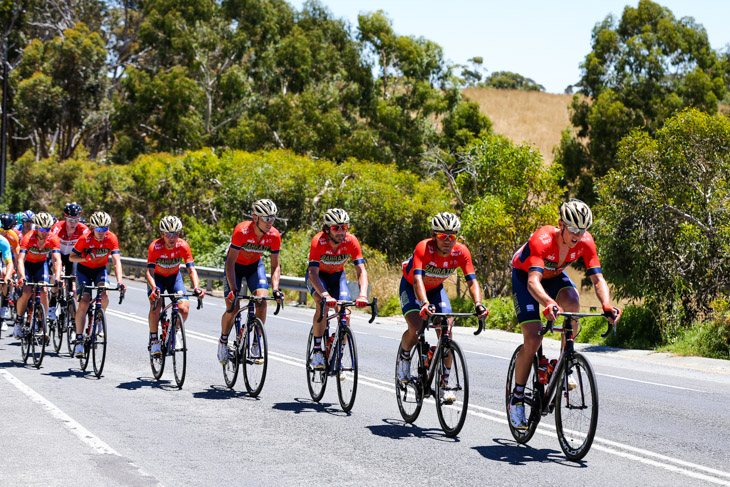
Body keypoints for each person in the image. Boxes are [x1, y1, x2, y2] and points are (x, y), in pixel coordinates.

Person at [508, 198, 621, 430]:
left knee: (572, 304)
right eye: (572, 229)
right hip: (526, 277)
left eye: (582, 230)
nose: (578, 235)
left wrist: (607, 304)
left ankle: (563, 364)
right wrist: (548, 303)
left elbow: (597, 278)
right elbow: (532, 282)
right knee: (533, 337)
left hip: (553, 276)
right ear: (561, 224)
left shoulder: (586, 242)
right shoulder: (542, 239)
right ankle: (517, 398)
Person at [396, 212, 489, 402]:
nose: (448, 240)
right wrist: (423, 304)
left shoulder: (461, 252)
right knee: (415, 328)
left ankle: (444, 384)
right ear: (434, 235)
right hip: (413, 287)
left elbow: (472, 281)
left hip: (436, 289)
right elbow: (418, 279)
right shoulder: (424, 247)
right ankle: (404, 358)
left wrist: (478, 304)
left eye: (452, 236)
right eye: (442, 236)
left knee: (447, 329)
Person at [218, 199, 283, 365]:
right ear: (255, 218)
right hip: (235, 267)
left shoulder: (274, 235)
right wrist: (233, 289)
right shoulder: (242, 231)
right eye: (266, 218)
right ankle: (223, 341)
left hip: (255, 267)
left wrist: (275, 289)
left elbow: (275, 265)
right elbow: (230, 262)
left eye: (272, 218)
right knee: (233, 307)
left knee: (262, 301)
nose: (270, 222)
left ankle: (255, 342)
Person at [306, 208, 369, 370]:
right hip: (318, 277)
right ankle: (318, 350)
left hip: (337, 276)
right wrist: (325, 294)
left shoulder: (351, 241)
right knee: (322, 304)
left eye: (344, 227)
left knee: (345, 312)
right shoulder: (318, 241)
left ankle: (338, 352)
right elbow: (313, 273)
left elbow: (361, 270)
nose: (341, 231)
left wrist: (362, 295)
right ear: (327, 229)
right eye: (336, 228)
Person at [68, 211, 126, 358]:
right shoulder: (84, 239)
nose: (102, 232)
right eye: (99, 229)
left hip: (100, 269)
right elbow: (71, 257)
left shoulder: (111, 238)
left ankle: (99, 318)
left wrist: (120, 281)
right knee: (84, 302)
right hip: (84, 271)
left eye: (105, 229)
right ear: (92, 228)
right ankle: (80, 340)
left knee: (104, 294)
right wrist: (85, 257)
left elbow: (116, 261)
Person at [146, 215, 205, 356]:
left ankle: (174, 333)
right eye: (169, 234)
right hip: (157, 279)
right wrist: (154, 288)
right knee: (156, 304)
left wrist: (196, 287)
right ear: (162, 234)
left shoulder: (183, 246)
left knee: (184, 308)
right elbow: (149, 271)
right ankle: (154, 339)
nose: (172, 238)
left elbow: (191, 269)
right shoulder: (155, 246)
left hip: (174, 278)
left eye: (176, 234)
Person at [14, 212, 61, 339]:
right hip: (27, 266)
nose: (45, 232)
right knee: (27, 292)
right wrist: (22, 276)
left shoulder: (53, 238)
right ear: (36, 228)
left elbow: (57, 260)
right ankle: (18, 321)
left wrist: (57, 277)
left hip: (41, 265)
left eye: (48, 229)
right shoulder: (28, 237)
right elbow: (20, 260)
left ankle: (43, 322)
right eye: (42, 229)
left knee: (45, 290)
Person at [48, 202, 89, 320]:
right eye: (70, 220)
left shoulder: (83, 229)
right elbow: (50, 241)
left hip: (72, 256)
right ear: (65, 218)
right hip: (58, 254)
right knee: (57, 275)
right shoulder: (57, 227)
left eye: (76, 220)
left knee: (72, 286)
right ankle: (52, 302)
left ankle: (72, 316)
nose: (73, 223)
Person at [0, 213, 20, 324]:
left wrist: (14, 274)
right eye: (1, 230)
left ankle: (5, 303)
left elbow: (16, 258)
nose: (3, 233)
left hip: (5, 255)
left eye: (5, 231)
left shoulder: (11, 237)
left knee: (4, 274)